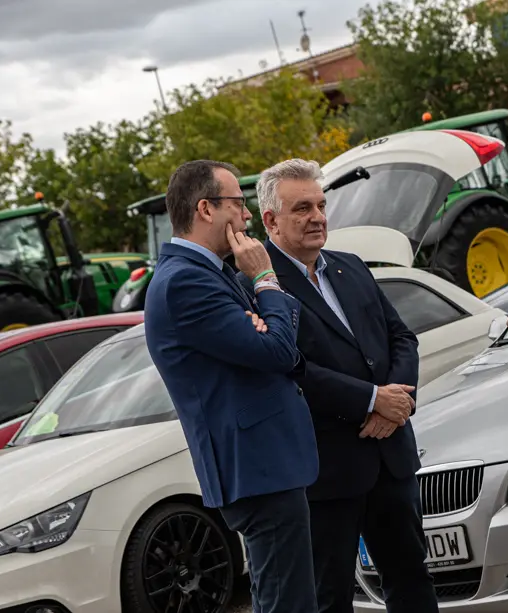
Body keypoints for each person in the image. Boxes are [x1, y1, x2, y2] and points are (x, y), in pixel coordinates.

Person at [250, 158, 439, 613]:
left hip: (390, 455)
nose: (317, 216)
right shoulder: (256, 287)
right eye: (302, 208)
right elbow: (291, 367)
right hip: (327, 470)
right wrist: (371, 401)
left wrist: (395, 403)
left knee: (412, 580)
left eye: (320, 205)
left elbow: (401, 338)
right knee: (329, 597)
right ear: (271, 221)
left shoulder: (350, 266)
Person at [144, 159, 319, 613]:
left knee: (283, 597)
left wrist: (266, 324)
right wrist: (265, 278)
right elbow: (277, 351)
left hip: (267, 465)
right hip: (258, 469)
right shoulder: (185, 281)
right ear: (206, 209)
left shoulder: (210, 272)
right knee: (289, 603)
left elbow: (274, 344)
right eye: (238, 203)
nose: (246, 215)